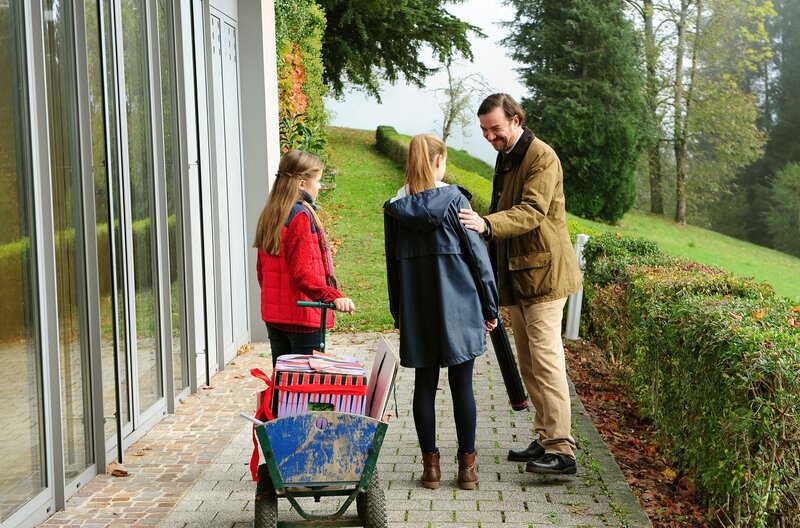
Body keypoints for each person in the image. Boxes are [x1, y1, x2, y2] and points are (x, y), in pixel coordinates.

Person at [458, 94, 582, 475]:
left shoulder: (541, 156)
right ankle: (544, 437)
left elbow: (531, 211)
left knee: (546, 362)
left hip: (545, 276)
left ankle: (562, 450)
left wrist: (487, 224)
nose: (489, 136)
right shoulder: (507, 155)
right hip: (520, 275)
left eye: (495, 128)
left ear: (516, 120)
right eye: (484, 130)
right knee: (529, 363)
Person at [384, 134, 499, 490]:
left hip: (417, 309)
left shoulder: (396, 208)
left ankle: (430, 470)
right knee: (462, 384)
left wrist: (399, 313)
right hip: (460, 306)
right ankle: (467, 470)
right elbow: (477, 258)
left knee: (424, 384)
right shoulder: (456, 201)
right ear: (439, 160)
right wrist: (490, 305)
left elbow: (392, 266)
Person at [253, 149, 355, 367]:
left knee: (284, 381)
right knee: (305, 384)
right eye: (317, 181)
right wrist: (332, 295)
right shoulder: (300, 215)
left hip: (275, 316)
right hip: (302, 318)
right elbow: (303, 273)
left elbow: (262, 271)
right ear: (302, 183)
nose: (320, 186)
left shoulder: (271, 213)